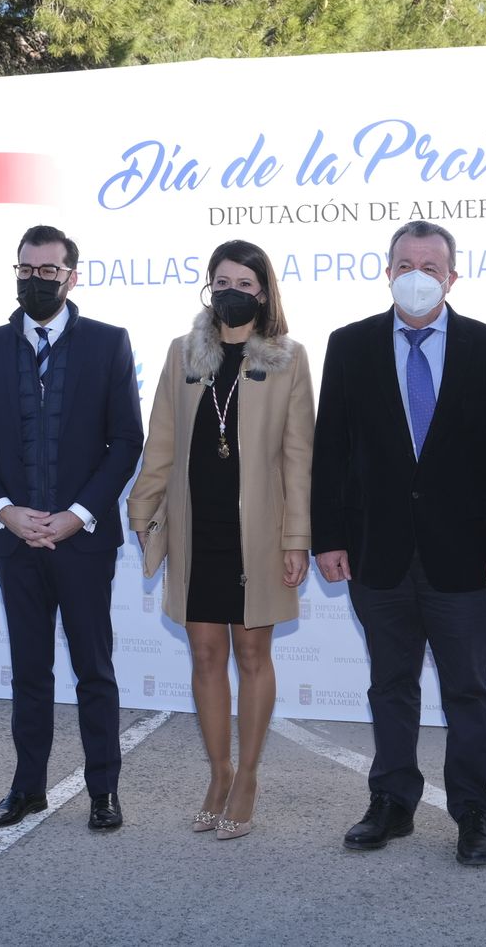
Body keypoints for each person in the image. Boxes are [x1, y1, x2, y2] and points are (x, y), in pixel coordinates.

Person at [310, 220, 486, 867]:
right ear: (387, 273)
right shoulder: (349, 345)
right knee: (390, 685)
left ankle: (472, 812)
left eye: (431, 267)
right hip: (375, 552)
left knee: (468, 691)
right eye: (405, 265)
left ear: (451, 278)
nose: (417, 276)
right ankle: (392, 801)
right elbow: (331, 451)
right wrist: (328, 537)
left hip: (463, 556)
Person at [0, 224, 143, 832]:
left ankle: (103, 792)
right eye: (26, 270)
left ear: (71, 277)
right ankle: (27, 789)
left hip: (82, 543)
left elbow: (125, 442)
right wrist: (4, 511)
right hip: (15, 543)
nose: (35, 280)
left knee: (95, 671)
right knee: (30, 672)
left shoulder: (108, 344)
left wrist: (77, 515)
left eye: (47, 271)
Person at [127, 240, 314, 841]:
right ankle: (219, 773)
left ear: (264, 292)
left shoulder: (288, 358)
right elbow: (161, 438)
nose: (232, 292)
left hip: (256, 532)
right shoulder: (182, 352)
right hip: (195, 526)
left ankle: (249, 776)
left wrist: (296, 538)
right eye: (222, 282)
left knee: (253, 655)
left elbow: (298, 458)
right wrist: (142, 506)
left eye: (245, 283)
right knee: (206, 655)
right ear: (209, 287)